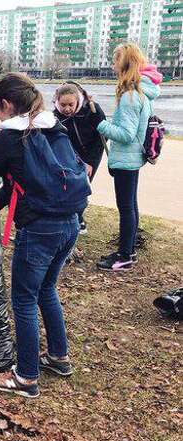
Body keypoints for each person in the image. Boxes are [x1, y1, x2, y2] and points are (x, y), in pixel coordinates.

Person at [0, 73, 89, 398]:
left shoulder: (9, 137)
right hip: (69, 224)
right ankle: (58, 356)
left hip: (40, 230)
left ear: (7, 105)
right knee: (47, 289)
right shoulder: (54, 127)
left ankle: (26, 376)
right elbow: (20, 180)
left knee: (24, 299)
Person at [96, 43, 161, 271]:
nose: (113, 67)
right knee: (130, 206)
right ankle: (128, 250)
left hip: (126, 159)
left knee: (126, 208)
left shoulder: (130, 97)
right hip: (132, 159)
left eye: (115, 62)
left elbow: (125, 134)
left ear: (124, 65)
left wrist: (101, 125)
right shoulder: (142, 93)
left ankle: (125, 255)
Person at [53, 82, 106, 234]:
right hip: (70, 155)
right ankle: (74, 218)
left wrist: (89, 162)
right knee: (68, 187)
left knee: (82, 187)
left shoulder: (92, 110)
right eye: (63, 104)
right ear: (57, 101)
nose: (67, 109)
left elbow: (101, 139)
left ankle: (79, 219)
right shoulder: (55, 116)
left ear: (78, 100)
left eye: (71, 104)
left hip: (91, 154)